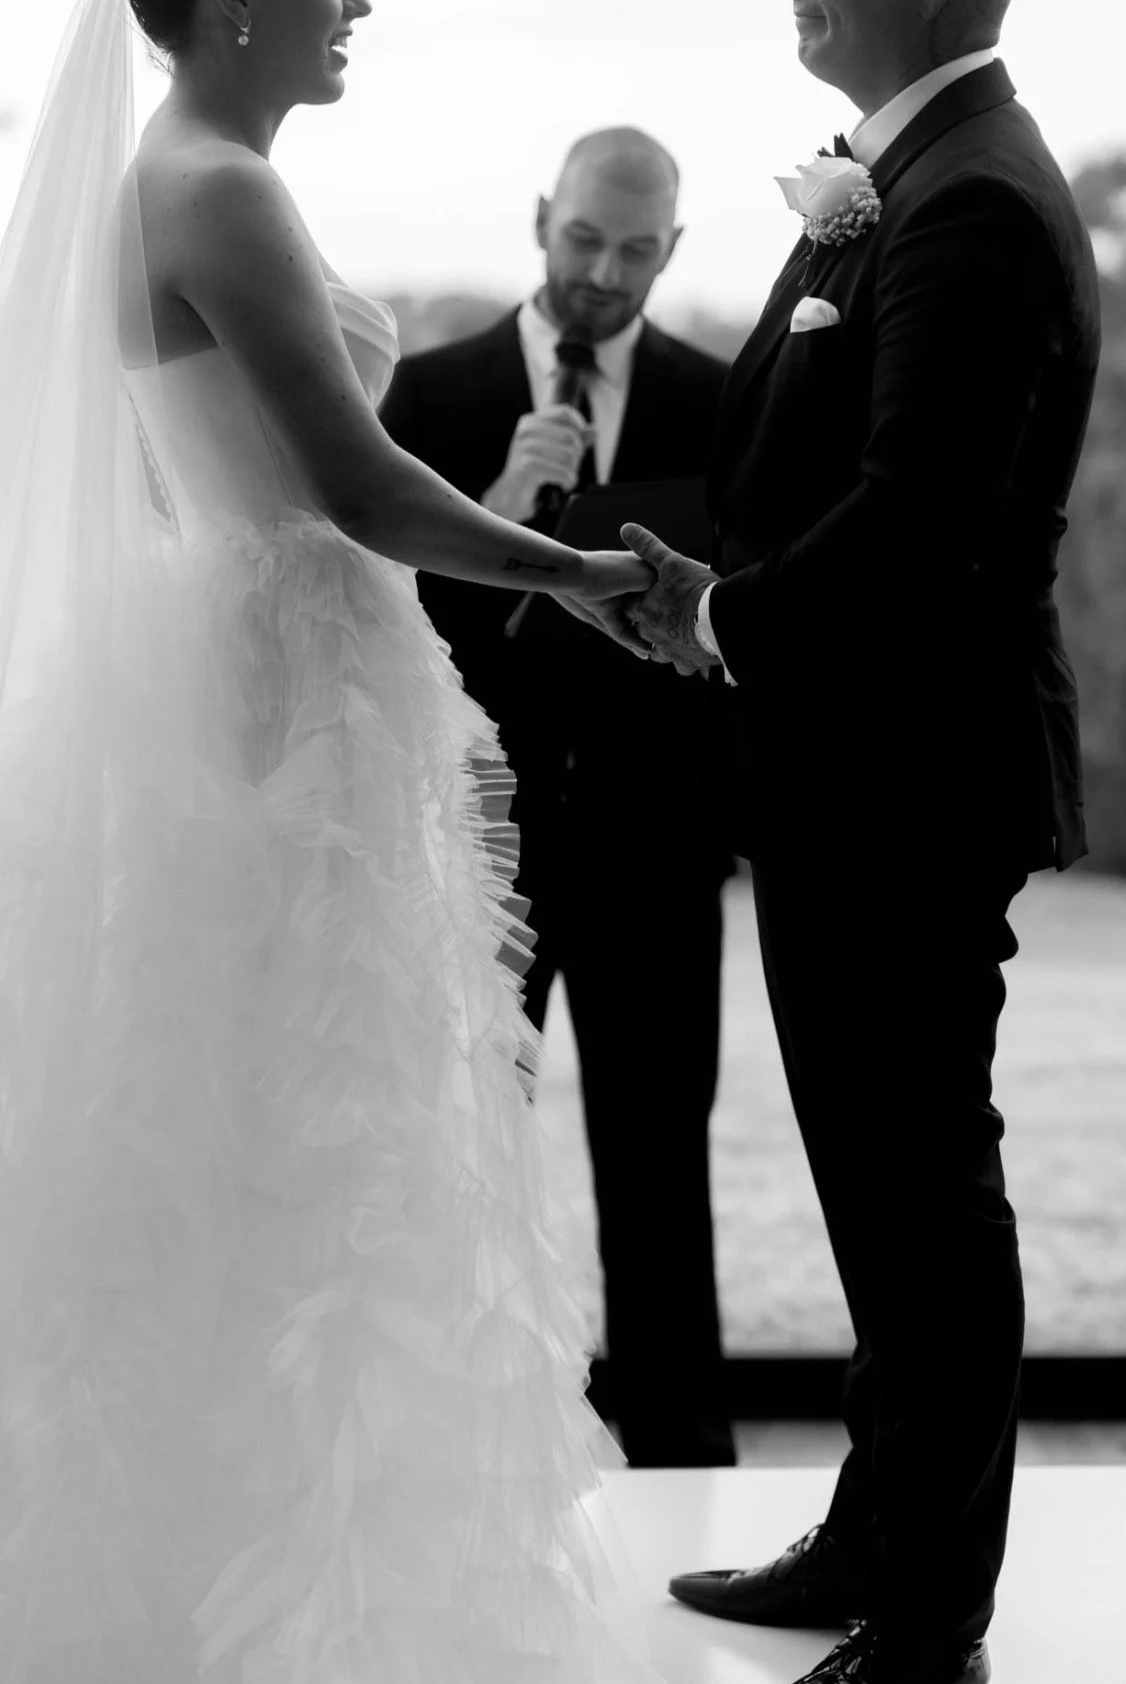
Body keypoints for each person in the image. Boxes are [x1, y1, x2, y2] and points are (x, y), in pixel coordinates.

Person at [0, 0, 670, 1676]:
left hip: (265, 662)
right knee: (326, 1123)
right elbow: (356, 486)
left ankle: (219, 1558)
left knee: (257, 1107)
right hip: (293, 682)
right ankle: (319, 1600)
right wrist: (584, 581)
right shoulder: (212, 182)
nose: (357, 4)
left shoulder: (184, 174)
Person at [590, 1, 1100, 1681]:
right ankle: (875, 1539)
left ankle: (930, 1619)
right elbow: (806, 471)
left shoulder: (967, 199)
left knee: (923, 1204)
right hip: (852, 772)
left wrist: (725, 615)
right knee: (880, 1200)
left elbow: (916, 517)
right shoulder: (927, 173)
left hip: (909, 782)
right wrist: (719, 598)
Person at [379, 127, 737, 1471]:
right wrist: (503, 502)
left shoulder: (720, 400)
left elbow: (739, 622)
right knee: (467, 1160)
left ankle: (685, 1460)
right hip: (483, 847)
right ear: (543, 218)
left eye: (636, 249)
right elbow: (385, 622)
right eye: (585, 238)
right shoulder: (426, 392)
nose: (604, 271)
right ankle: (459, 1458)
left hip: (658, 843)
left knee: (659, 1169)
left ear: (672, 250)